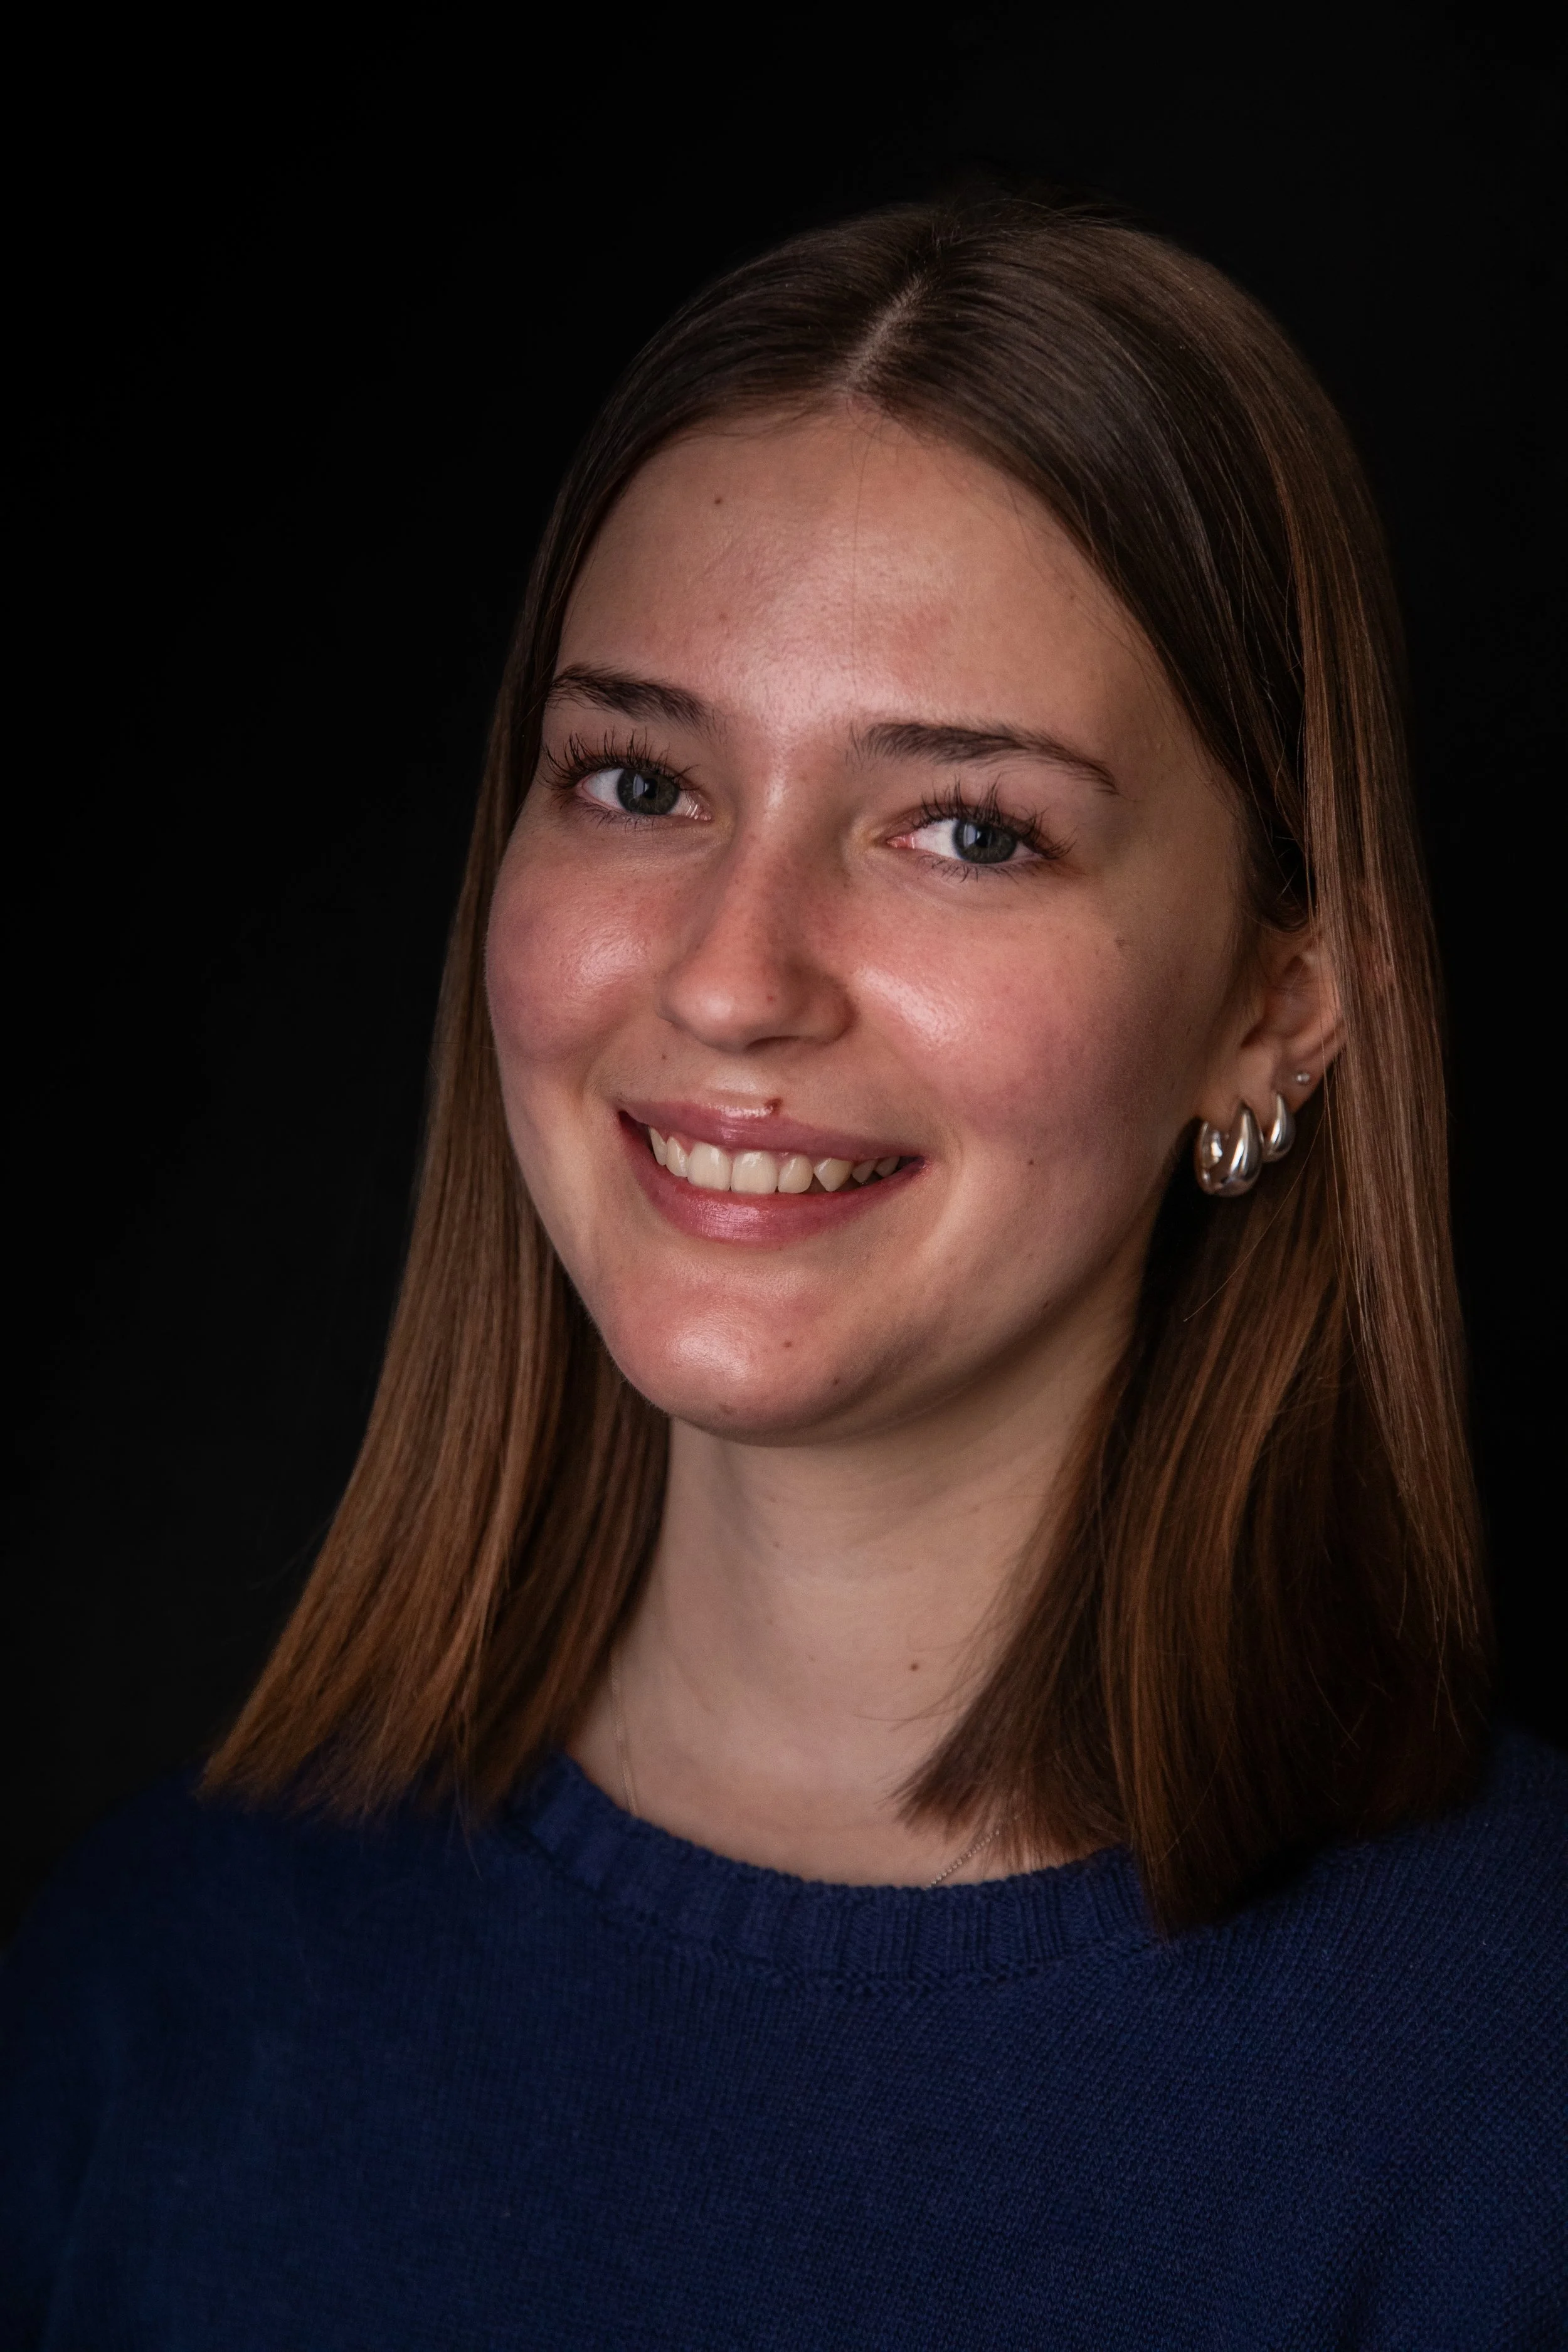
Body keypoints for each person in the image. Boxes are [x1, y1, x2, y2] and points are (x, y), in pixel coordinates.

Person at [3, 196, 1562, 2349]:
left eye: (967, 828)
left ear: (1277, 1002)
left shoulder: (1511, 2084)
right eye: (639, 780)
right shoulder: (136, 2003)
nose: (732, 981)